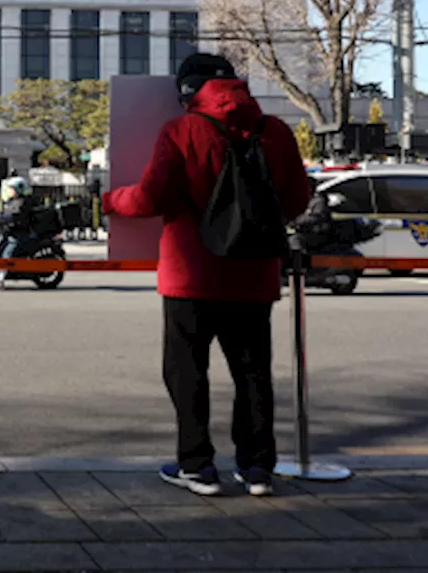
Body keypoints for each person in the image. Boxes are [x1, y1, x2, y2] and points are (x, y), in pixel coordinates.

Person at [103, 52, 309, 498]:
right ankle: (256, 469)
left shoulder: (182, 131)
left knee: (186, 372)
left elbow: (148, 200)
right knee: (253, 373)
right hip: (254, 276)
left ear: (186, 92)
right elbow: (296, 201)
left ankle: (196, 465)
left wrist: (110, 199)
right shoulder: (275, 132)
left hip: (190, 275)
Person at [0, 176, 33, 289]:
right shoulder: (13, 201)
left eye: (12, 189)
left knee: (7, 254)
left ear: (18, 189)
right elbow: (5, 213)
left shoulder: (22, 202)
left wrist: (3, 219)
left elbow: (14, 215)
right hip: (11, 232)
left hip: (19, 233)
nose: (10, 191)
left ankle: (1, 279)